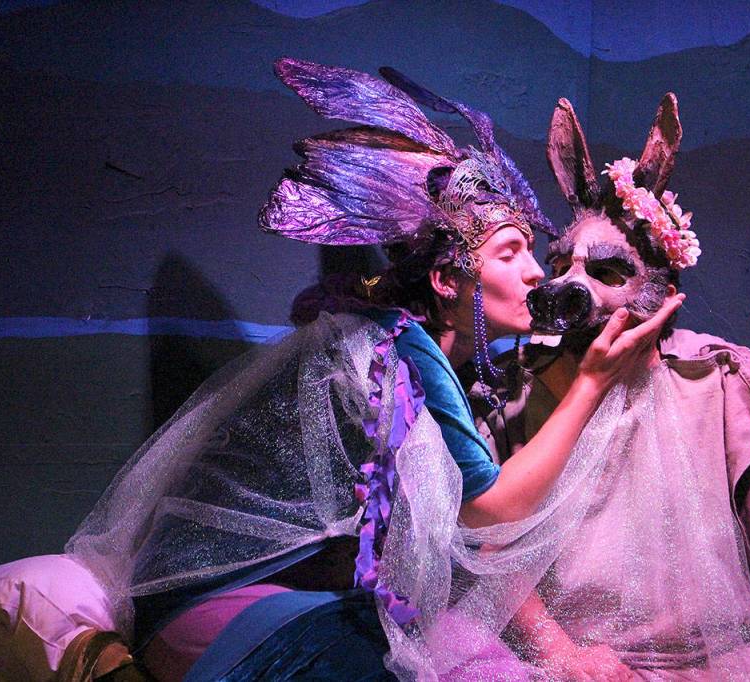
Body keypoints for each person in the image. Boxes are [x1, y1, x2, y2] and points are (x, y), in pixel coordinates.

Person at [61, 60, 681, 681]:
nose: (535, 274)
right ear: (445, 281)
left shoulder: (442, 362)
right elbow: (489, 510)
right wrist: (593, 383)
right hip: (212, 607)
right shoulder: (400, 350)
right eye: (508, 254)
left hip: (278, 596)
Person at [467, 95, 750, 679]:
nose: (575, 286)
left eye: (607, 273)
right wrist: (559, 654)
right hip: (581, 665)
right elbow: (489, 543)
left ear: (660, 287)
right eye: (563, 268)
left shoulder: (717, 374)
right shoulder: (517, 389)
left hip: (719, 659)